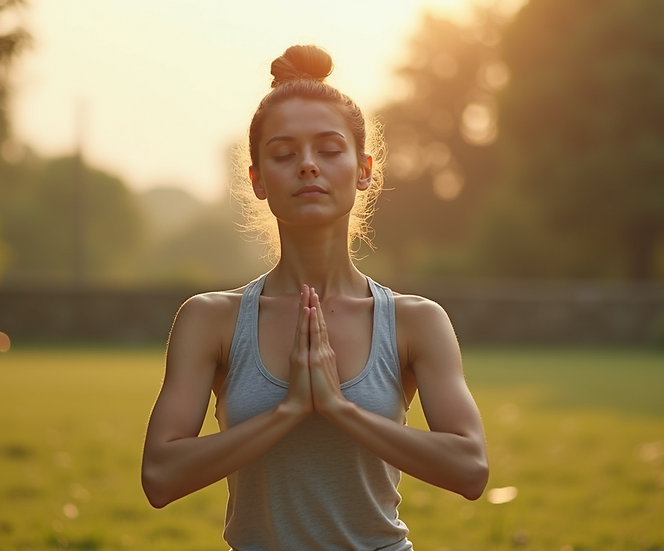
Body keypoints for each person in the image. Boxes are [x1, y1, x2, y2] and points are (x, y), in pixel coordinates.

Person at [141, 44, 488, 551]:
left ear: (364, 169)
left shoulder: (416, 322)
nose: (307, 166)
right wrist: (288, 412)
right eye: (284, 154)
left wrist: (339, 409)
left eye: (329, 150)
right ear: (258, 180)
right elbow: (160, 475)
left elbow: (471, 470)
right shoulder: (211, 320)